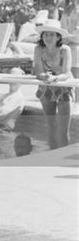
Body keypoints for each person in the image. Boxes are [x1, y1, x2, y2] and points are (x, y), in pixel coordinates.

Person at [34, 20, 73, 149]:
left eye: (51, 35)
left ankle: (62, 161)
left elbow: (66, 73)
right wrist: (43, 76)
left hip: (64, 88)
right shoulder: (39, 49)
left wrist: (55, 79)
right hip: (47, 86)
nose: (48, 38)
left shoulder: (65, 50)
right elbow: (38, 71)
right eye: (45, 34)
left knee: (62, 130)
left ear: (58, 37)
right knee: (50, 126)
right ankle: (52, 157)